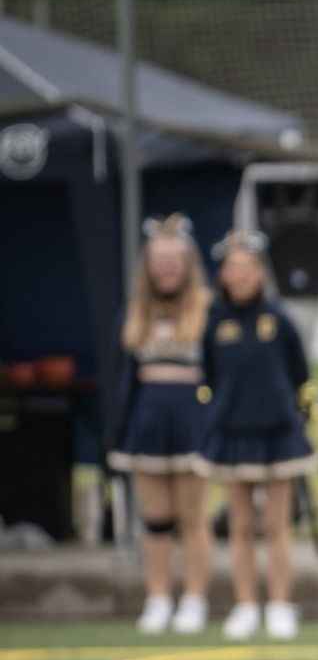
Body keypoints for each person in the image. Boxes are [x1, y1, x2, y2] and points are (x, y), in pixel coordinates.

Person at [199, 230, 318, 641]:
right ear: (222, 275)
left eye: (249, 267)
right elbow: (208, 374)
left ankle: (280, 606)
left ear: (261, 272)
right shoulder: (214, 321)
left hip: (277, 434)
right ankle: (246, 606)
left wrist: (297, 413)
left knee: (277, 524)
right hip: (234, 434)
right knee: (241, 525)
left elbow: (300, 371)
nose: (242, 275)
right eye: (233, 268)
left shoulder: (279, 319)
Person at [107, 215, 215, 635]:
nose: (167, 268)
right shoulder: (135, 312)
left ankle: (195, 599)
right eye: (159, 260)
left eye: (174, 260)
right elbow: (122, 378)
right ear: (148, 266)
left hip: (193, 422)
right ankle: (157, 599)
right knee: (155, 518)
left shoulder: (206, 309)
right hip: (148, 424)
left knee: (193, 516)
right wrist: (119, 431)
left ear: (187, 264)